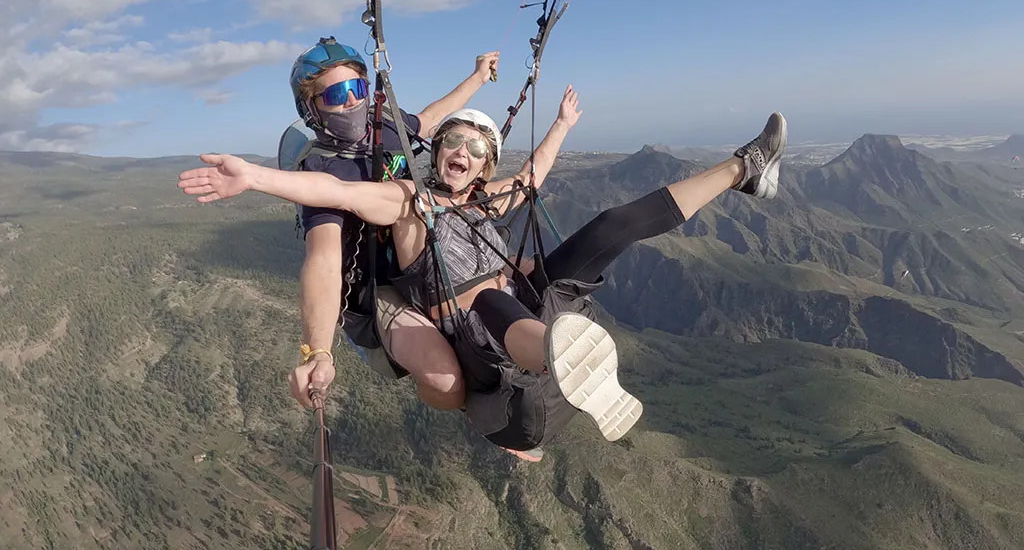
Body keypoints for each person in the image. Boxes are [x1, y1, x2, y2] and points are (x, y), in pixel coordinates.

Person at [179, 91, 788, 450]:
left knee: (608, 227)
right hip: (478, 335)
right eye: (453, 145)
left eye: (474, 151)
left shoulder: (488, 202)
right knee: (494, 307)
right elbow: (333, 193)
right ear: (437, 153)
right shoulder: (406, 206)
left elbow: (534, 177)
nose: (462, 155)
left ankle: (745, 168)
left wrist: (561, 126)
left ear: (484, 165)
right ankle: (559, 354)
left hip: (521, 299)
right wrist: (256, 177)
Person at [285, 36, 499, 415]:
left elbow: (431, 119)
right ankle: (481, 412)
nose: (351, 101)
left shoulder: (384, 125)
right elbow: (323, 259)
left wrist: (478, 77)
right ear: (312, 109)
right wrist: (317, 349)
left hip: (419, 256)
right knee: (445, 382)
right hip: (379, 287)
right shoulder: (322, 168)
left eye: (356, 88)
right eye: (335, 95)